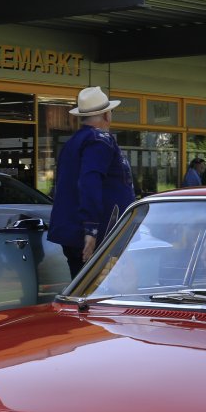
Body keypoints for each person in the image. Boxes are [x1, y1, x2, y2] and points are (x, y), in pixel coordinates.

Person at [48, 86, 135, 279]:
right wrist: (91, 229)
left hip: (76, 231)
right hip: (100, 234)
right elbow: (90, 181)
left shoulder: (74, 142)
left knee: (82, 286)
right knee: (99, 289)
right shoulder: (100, 140)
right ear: (106, 115)